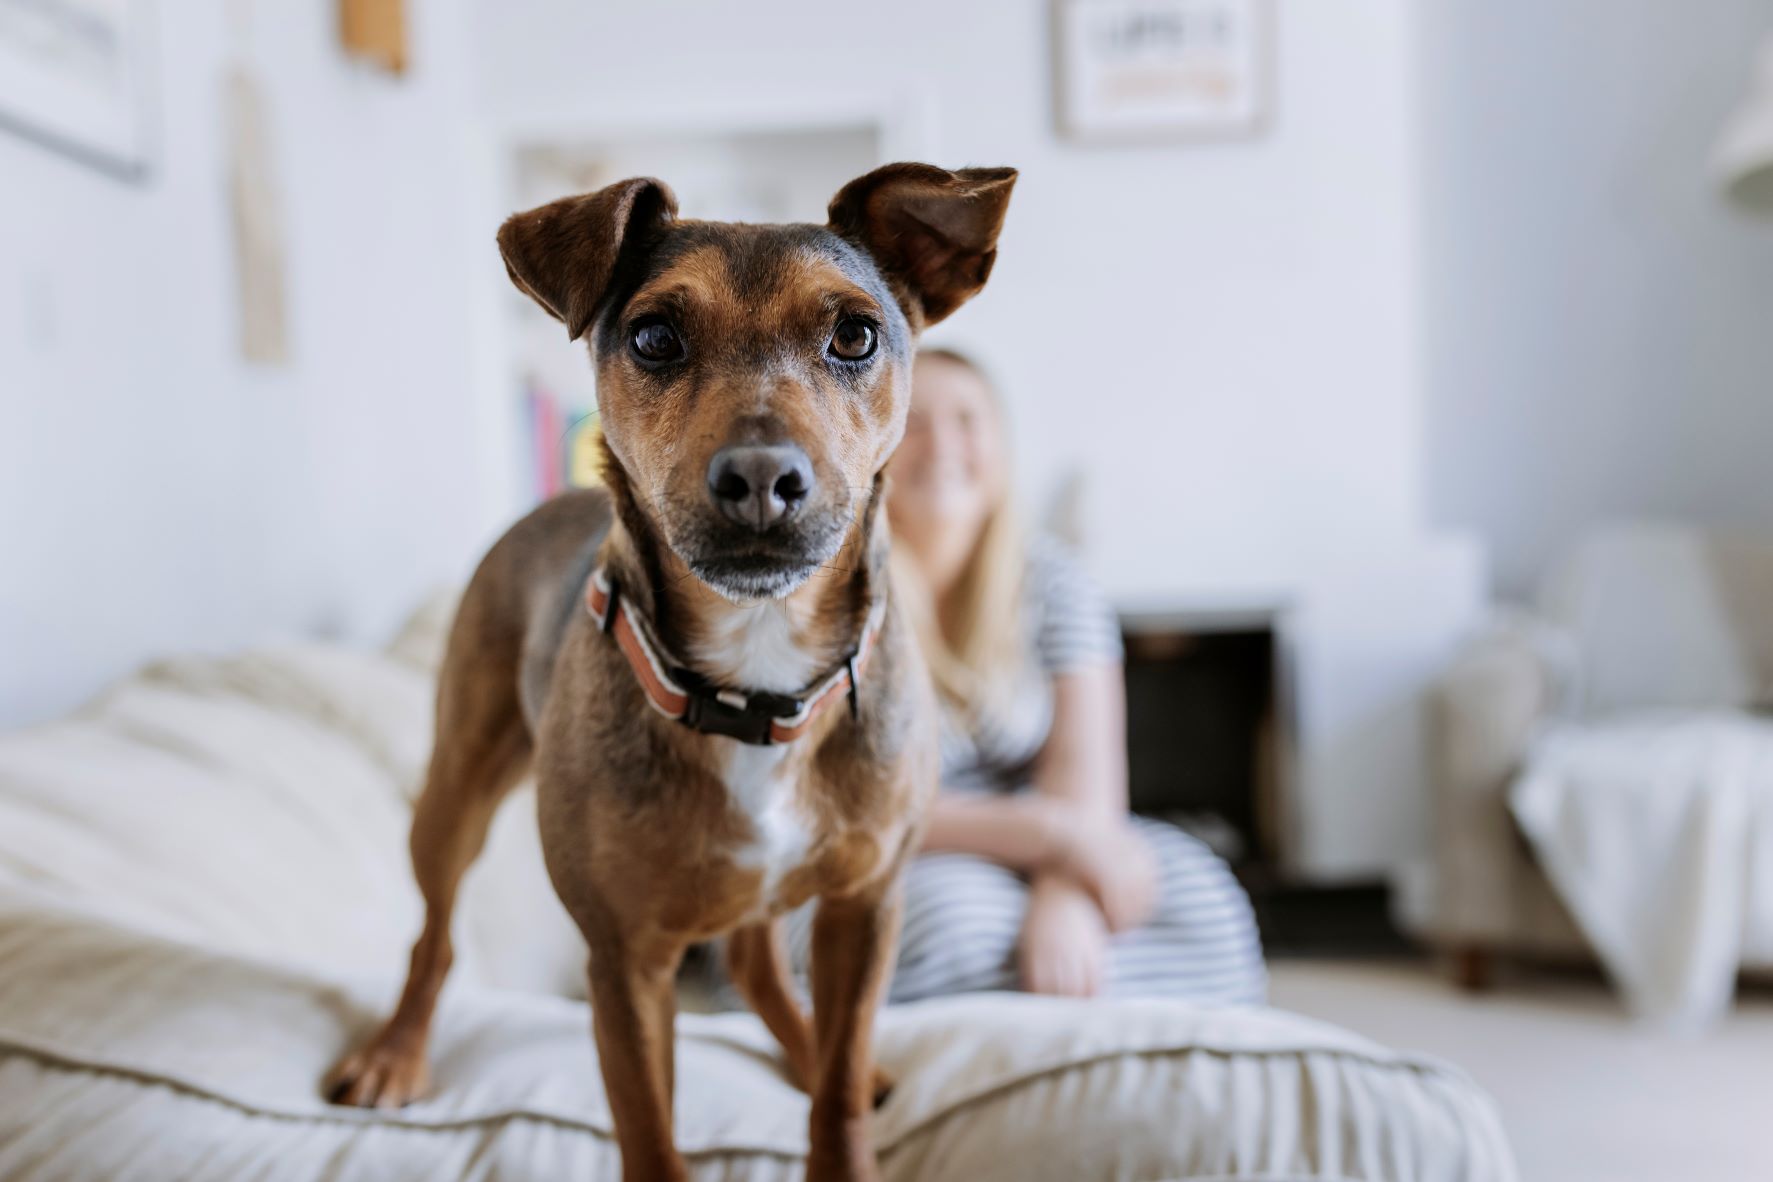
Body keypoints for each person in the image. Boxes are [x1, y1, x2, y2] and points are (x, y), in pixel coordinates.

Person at [790, 348, 1266, 1003]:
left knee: (1198, 892)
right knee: (961, 920)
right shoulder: (822, 592)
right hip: (870, 856)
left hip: (1037, 849)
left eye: (966, 420)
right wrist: (1054, 837)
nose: (943, 445)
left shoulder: (1054, 581)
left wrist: (1066, 895)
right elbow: (841, 807)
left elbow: (1088, 780)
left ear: (1000, 445)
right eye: (914, 423)